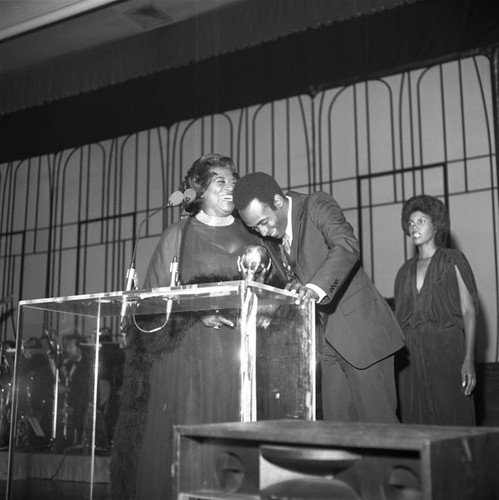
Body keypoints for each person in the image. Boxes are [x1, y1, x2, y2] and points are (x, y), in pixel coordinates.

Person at [110, 154, 277, 500]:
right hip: (187, 360)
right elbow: (153, 303)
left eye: (234, 181)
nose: (232, 187)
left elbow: (272, 287)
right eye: (221, 182)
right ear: (199, 190)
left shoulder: (250, 232)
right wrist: (194, 312)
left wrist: (266, 309)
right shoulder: (178, 234)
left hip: (237, 356)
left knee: (231, 439)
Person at [233, 172, 405, 423]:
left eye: (264, 222)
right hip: (329, 344)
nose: (263, 231)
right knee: (337, 432)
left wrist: (315, 287)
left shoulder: (316, 205)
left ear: (278, 202)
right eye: (255, 228)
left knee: (381, 429)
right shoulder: (275, 238)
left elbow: (346, 245)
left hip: (363, 336)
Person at [394, 194, 478, 425]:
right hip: (411, 355)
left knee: (453, 413)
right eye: (410, 223)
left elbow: (468, 311)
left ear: (435, 225)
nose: (414, 227)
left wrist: (469, 359)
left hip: (448, 348)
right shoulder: (404, 271)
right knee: (415, 417)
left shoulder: (453, 260)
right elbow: (398, 322)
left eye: (421, 221)